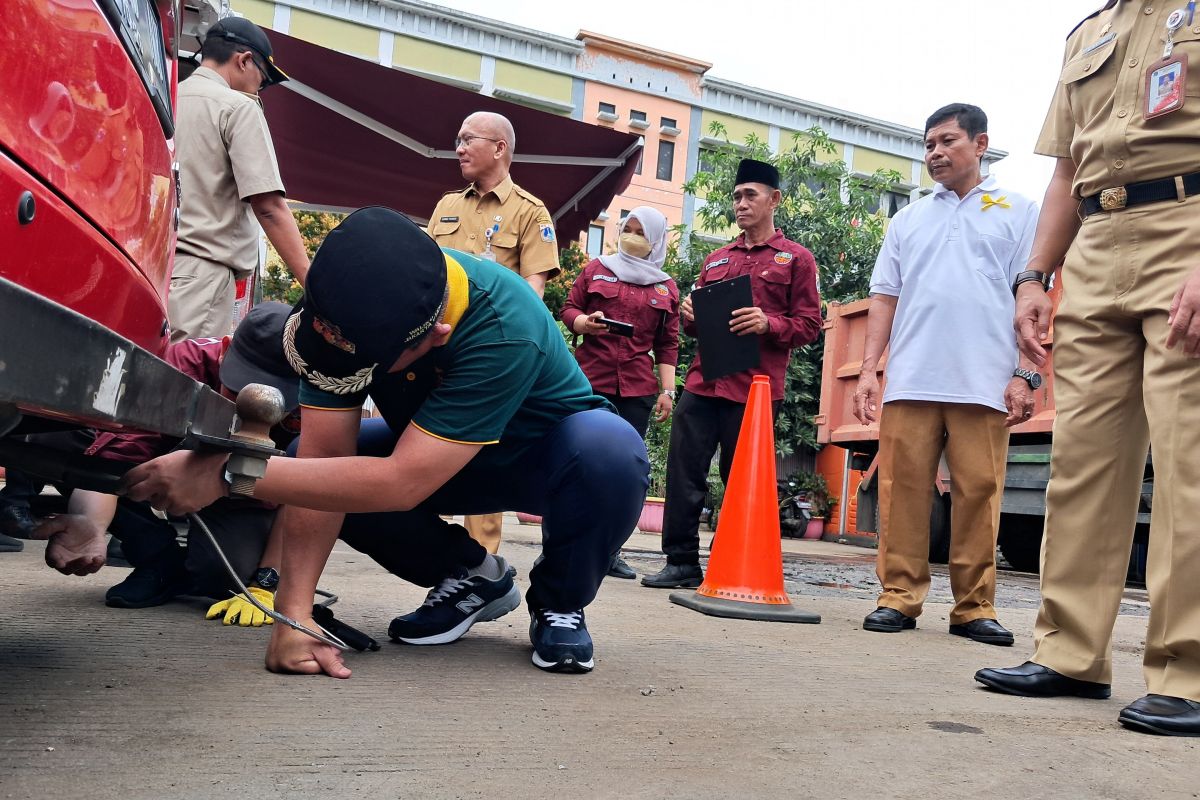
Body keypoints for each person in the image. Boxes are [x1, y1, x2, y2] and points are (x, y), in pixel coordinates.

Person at [121, 207, 649, 678]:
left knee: (610, 451)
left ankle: (560, 602)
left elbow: (399, 483)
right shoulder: (351, 311)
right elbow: (323, 459)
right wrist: (293, 617)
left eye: (365, 362)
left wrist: (230, 472)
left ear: (434, 336)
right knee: (309, 465)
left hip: (543, 459)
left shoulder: (504, 324)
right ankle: (469, 576)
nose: (344, 366)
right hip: (433, 452)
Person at [975, 2, 1200, 736]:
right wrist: (1035, 277)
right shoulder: (1088, 33)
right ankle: (1071, 655)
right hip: (1099, 241)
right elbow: (1066, 165)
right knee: (1083, 463)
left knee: (1189, 462)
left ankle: (1187, 672)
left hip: (1189, 223)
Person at [852, 103, 1039, 646]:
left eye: (947, 141)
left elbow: (1032, 296)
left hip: (984, 379)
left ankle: (974, 607)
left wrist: (1026, 373)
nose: (934, 152)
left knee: (980, 492)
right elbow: (884, 296)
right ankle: (898, 597)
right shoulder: (908, 219)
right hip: (911, 376)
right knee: (902, 488)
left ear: (980, 144)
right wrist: (870, 371)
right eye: (928, 143)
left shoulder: (1018, 210)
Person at [33, 303, 301, 616]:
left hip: (245, 495)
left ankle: (208, 563)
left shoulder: (313, 403)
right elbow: (117, 457)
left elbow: (304, 500)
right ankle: (160, 561)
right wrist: (91, 525)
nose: (249, 410)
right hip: (172, 465)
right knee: (63, 443)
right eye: (238, 389)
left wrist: (265, 581)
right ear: (225, 349)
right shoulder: (182, 367)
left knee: (225, 579)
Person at [641, 159, 821, 589]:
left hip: (756, 388)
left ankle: (730, 562)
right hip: (704, 382)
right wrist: (689, 313)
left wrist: (768, 323)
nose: (741, 204)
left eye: (750, 196)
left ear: (774, 200)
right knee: (684, 471)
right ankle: (681, 562)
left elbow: (810, 326)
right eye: (737, 196)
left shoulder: (796, 259)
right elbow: (696, 325)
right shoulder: (717, 258)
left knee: (742, 480)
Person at [426, 111, 560, 556]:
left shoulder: (529, 211)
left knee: (482, 453)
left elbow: (533, 293)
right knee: (425, 452)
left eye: (468, 140)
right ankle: (436, 559)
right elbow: (424, 279)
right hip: (436, 350)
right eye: (457, 139)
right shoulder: (446, 206)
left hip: (490, 355)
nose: (458, 148)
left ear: (499, 147)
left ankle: (482, 566)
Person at [170, 16, 309, 342]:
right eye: (263, 78)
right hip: (203, 277)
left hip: (156, 267)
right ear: (244, 60)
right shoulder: (238, 107)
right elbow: (269, 207)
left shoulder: (170, 96)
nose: (260, 87)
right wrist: (312, 282)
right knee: (182, 381)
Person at [562, 206, 680, 579]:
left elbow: (668, 344)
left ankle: (609, 551)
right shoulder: (597, 268)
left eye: (640, 232)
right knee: (579, 463)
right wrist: (585, 324)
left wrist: (668, 391)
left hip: (637, 389)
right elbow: (569, 309)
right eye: (626, 229)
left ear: (656, 241)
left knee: (624, 472)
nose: (631, 236)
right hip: (588, 382)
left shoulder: (666, 287)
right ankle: (567, 542)